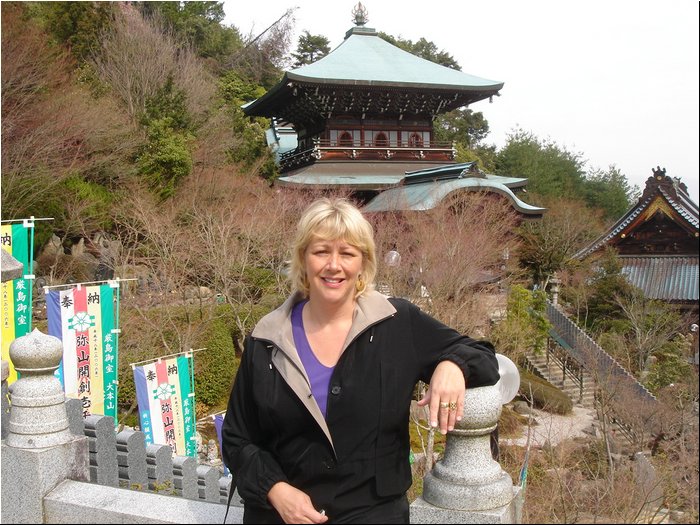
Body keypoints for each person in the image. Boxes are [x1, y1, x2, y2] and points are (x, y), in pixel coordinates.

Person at [221, 197, 500, 524]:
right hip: (281, 518)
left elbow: (483, 357)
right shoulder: (268, 338)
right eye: (321, 251)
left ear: (363, 263)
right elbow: (237, 438)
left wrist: (452, 365)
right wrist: (275, 489)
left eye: (347, 253)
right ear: (303, 258)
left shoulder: (396, 323)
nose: (333, 265)